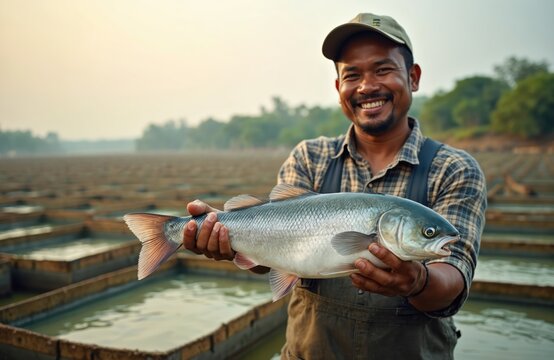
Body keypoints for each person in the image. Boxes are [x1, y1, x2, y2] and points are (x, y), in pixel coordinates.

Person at [183, 13, 487, 359]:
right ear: (338, 87)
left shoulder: (454, 169)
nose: (367, 86)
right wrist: (226, 237)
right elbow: (274, 256)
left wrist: (417, 282)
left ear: (413, 77)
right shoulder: (309, 158)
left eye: (383, 69)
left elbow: (454, 276)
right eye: (352, 75)